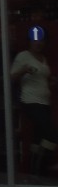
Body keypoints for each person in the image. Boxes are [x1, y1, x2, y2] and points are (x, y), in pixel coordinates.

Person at [10, 25, 58, 174]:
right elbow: (12, 76)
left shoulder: (43, 59)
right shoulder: (23, 56)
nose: (39, 43)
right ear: (30, 42)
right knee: (51, 134)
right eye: (36, 40)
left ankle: (34, 169)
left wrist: (52, 82)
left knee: (39, 136)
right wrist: (24, 70)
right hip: (31, 101)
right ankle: (45, 164)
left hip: (44, 101)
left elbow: (43, 79)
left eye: (42, 41)